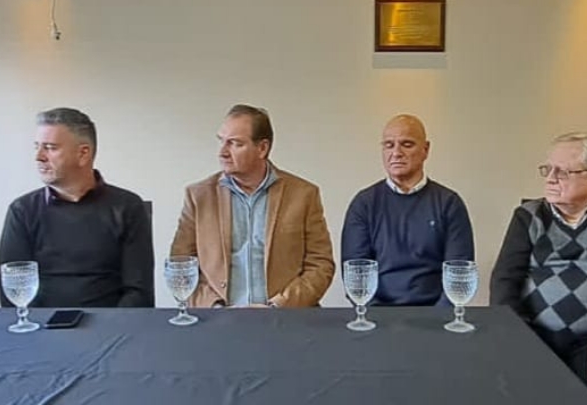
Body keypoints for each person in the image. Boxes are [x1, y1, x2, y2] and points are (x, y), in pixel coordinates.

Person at [170, 104, 335, 308]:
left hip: (285, 317)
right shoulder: (198, 196)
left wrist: (278, 306)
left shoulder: (303, 195)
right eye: (221, 141)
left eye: (235, 143)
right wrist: (215, 308)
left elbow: (320, 265)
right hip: (218, 318)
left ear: (262, 148)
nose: (222, 152)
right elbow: (179, 267)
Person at [0, 108, 154, 308]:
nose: (39, 156)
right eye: (37, 147)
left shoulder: (128, 207)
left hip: (112, 324)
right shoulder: (22, 210)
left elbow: (139, 291)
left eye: (50, 148)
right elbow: (13, 290)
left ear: (83, 153)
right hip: (42, 325)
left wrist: (111, 324)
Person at [341, 114, 474, 305]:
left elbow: (458, 275)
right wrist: (378, 319)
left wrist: (438, 319)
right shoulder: (364, 203)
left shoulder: (449, 203)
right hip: (377, 315)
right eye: (389, 145)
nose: (396, 152)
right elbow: (355, 275)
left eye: (407, 144)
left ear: (425, 150)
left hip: (435, 314)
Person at [491, 132, 587, 380]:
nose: (551, 178)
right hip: (535, 336)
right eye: (548, 169)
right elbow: (504, 280)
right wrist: (519, 333)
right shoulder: (529, 216)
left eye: (563, 172)